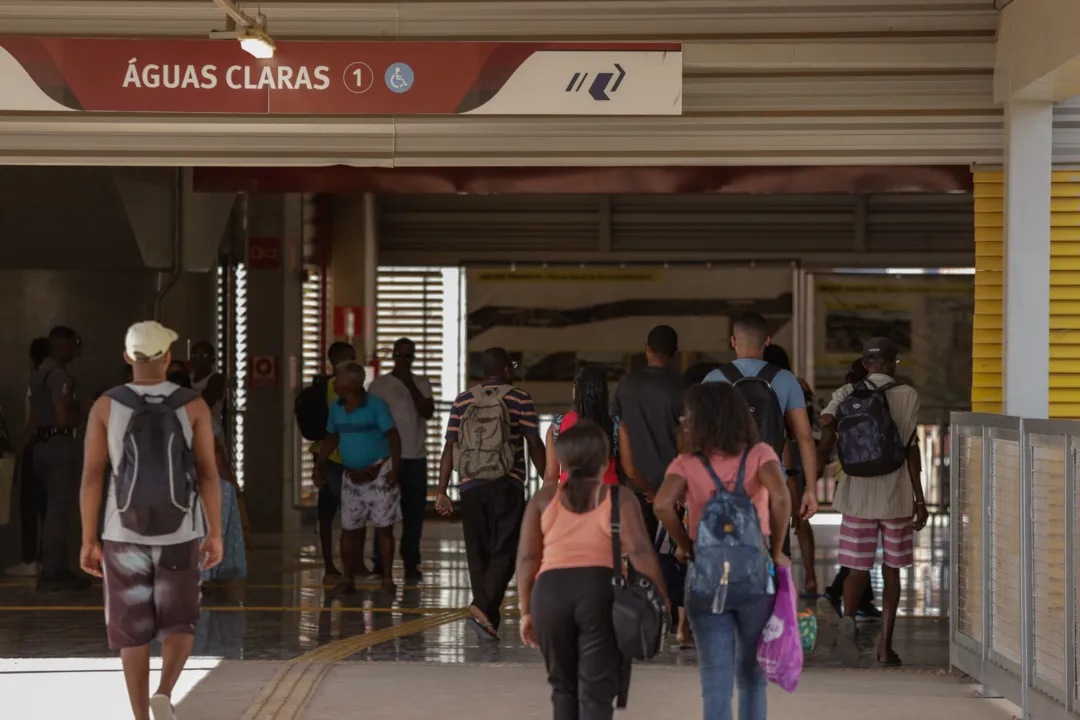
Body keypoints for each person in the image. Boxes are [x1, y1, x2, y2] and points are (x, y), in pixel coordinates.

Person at [78, 320, 223, 720]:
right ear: (168, 358)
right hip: (180, 531)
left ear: (127, 357)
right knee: (181, 622)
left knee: (132, 631)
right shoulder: (192, 404)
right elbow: (208, 472)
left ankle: (141, 717)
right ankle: (164, 691)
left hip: (122, 531)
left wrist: (89, 539)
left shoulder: (106, 405)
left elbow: (93, 475)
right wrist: (214, 533)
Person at [654, 382, 792, 720]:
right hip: (754, 578)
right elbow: (782, 496)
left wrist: (687, 547)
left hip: (707, 577)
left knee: (716, 681)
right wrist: (775, 549)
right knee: (752, 679)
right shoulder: (760, 454)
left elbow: (661, 505)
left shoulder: (686, 462)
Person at [517, 421, 667, 720]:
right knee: (596, 691)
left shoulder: (543, 499)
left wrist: (526, 610)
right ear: (606, 461)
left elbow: (527, 558)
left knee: (563, 687)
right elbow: (639, 551)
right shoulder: (618, 497)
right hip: (599, 592)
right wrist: (660, 597)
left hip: (549, 595)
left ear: (561, 461)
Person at [816, 337, 926, 667]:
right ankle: (885, 648)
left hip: (856, 495)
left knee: (855, 568)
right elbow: (910, 449)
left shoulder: (845, 393)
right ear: (894, 363)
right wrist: (920, 500)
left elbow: (826, 425)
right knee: (892, 572)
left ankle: (848, 625)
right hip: (896, 496)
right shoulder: (908, 395)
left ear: (865, 364)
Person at [435, 347, 546, 641]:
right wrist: (551, 481)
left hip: (470, 485)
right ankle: (482, 607)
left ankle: (487, 620)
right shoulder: (519, 397)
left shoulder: (463, 400)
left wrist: (441, 489)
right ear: (507, 370)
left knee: (478, 552)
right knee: (507, 549)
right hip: (507, 482)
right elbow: (534, 442)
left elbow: (450, 447)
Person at [703, 312, 819, 534]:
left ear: (733, 341)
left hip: (724, 486)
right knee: (776, 556)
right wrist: (810, 490)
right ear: (767, 340)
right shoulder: (786, 379)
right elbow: (805, 437)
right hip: (773, 485)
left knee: (729, 558)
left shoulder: (713, 379)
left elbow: (700, 436)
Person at [314, 362, 402, 594]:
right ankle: (348, 578)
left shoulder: (376, 406)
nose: (334, 382)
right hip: (350, 475)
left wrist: (395, 468)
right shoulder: (336, 407)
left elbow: (393, 437)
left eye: (339, 379)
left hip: (379, 472)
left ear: (352, 384)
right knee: (348, 528)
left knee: (384, 527)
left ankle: (387, 577)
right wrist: (319, 465)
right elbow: (332, 437)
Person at [368, 338, 435, 583]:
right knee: (383, 513)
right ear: (393, 356)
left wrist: (409, 383)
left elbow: (427, 412)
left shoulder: (422, 382)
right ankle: (379, 562)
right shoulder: (379, 385)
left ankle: (411, 562)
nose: (404, 361)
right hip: (386, 458)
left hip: (415, 457)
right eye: (400, 356)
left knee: (414, 514)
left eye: (409, 356)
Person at [30, 326, 90, 592]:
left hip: (41, 444)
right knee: (59, 508)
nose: (75, 350)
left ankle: (54, 565)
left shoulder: (40, 372)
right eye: (72, 345)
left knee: (51, 508)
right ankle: (54, 569)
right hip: (58, 444)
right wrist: (86, 413)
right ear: (61, 346)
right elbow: (62, 418)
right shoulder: (59, 376)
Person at [611, 325, 684, 540]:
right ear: (674, 352)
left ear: (647, 348)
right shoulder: (682, 387)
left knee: (638, 549)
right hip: (673, 486)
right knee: (674, 554)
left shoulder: (626, 386)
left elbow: (614, 428)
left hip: (635, 484)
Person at [820, 359, 879, 618]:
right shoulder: (879, 401)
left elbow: (826, 431)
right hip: (873, 479)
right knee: (862, 545)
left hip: (847, 476)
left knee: (859, 541)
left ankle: (862, 600)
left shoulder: (844, 401)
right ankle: (835, 592)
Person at [761, 343, 819, 595]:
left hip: (783, 453)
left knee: (778, 516)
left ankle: (775, 579)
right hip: (804, 454)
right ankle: (810, 576)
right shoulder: (798, 384)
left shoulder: (766, 385)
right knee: (802, 520)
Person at [542, 364, 650, 494]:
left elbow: (551, 477)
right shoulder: (615, 425)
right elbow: (631, 472)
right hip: (608, 496)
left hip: (570, 498)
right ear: (604, 393)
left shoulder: (557, 426)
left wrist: (546, 507)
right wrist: (649, 491)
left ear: (575, 391)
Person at [310, 342, 358, 583]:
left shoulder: (330, 385)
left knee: (328, 513)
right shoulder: (337, 387)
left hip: (326, 457)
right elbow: (337, 427)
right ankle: (346, 566)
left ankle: (335, 565)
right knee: (350, 513)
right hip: (336, 459)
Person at [6, 337, 50, 578]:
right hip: (45, 446)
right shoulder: (51, 378)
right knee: (44, 505)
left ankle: (30, 559)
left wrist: (20, 448)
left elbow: (34, 418)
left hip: (34, 447)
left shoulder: (37, 380)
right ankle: (44, 558)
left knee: (29, 504)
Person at [189, 341, 226, 424]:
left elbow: (204, 403)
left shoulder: (217, 379)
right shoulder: (188, 377)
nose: (198, 359)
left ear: (212, 359)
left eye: (204, 355)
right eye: (194, 355)